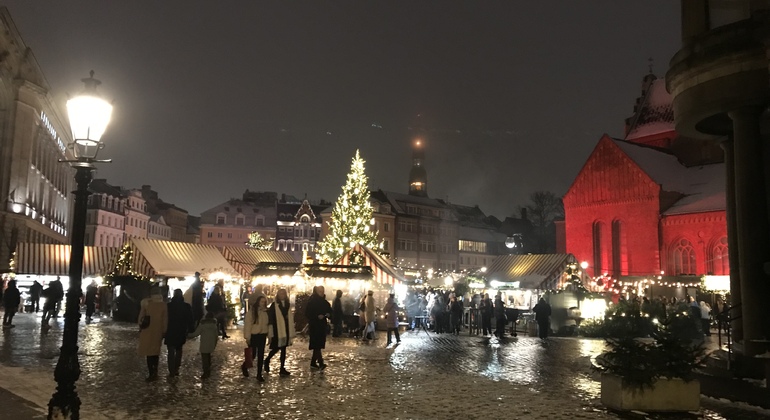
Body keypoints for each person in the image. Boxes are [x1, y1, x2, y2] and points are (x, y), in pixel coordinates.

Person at [137, 286, 168, 381]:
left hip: (147, 330)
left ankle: (151, 373)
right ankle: (155, 371)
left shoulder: (146, 303)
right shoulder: (163, 305)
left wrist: (140, 326)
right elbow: (165, 320)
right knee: (155, 351)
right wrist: (164, 331)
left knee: (149, 352)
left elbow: (140, 318)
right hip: (158, 331)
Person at [264, 288, 295, 377]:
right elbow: (271, 317)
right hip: (277, 329)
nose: (282, 295)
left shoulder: (287, 304)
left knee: (283, 349)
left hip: (285, 328)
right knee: (276, 348)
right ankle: (267, 360)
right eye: (280, 294)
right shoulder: (274, 305)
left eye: (283, 294)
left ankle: (282, 367)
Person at [165, 289, 194, 377]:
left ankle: (171, 370)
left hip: (170, 330)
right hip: (181, 330)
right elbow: (190, 319)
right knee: (178, 350)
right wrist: (190, 329)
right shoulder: (186, 306)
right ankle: (176, 368)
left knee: (170, 351)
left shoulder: (169, 306)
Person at [242, 295, 269, 381]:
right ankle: (244, 366)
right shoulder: (252, 312)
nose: (263, 303)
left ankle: (259, 374)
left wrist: (269, 335)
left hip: (262, 335)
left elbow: (268, 324)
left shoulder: (266, 312)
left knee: (261, 355)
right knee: (252, 355)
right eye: (261, 301)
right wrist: (247, 337)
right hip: (254, 335)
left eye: (264, 302)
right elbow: (248, 325)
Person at [306, 286, 332, 370]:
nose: (322, 293)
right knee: (316, 345)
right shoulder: (312, 302)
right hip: (314, 325)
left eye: (322, 291)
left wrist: (328, 314)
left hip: (322, 326)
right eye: (320, 291)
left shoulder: (324, 302)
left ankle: (313, 362)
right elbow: (308, 313)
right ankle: (320, 362)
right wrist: (316, 316)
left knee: (318, 345)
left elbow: (330, 311)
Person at [188, 312, 219, 379]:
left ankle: (205, 372)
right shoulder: (214, 325)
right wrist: (215, 344)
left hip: (204, 344)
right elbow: (216, 336)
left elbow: (196, 334)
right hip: (211, 344)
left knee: (204, 358)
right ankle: (208, 370)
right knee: (208, 356)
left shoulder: (202, 325)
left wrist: (188, 335)